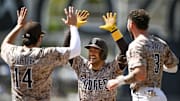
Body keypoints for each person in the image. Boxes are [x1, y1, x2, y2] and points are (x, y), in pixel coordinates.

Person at [0, 6, 81, 101]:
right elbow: (76, 50)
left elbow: (4, 45)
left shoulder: (13, 53)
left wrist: (18, 26)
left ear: (24, 38)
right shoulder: (44, 55)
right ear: (39, 38)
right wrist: (73, 26)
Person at [106, 9, 179, 101]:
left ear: (131, 24)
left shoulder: (136, 45)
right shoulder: (160, 43)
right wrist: (154, 65)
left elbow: (140, 75)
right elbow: (174, 68)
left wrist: (119, 81)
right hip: (159, 95)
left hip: (144, 96)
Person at [63, 11, 128, 101]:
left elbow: (126, 52)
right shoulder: (82, 66)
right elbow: (67, 50)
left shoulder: (112, 69)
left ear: (103, 53)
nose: (91, 53)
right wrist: (73, 28)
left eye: (95, 50)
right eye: (90, 50)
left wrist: (114, 30)